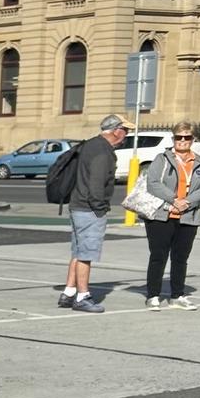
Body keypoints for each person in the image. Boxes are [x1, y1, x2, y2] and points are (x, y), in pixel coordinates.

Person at [58, 113, 132, 313]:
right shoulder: (103, 151)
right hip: (89, 209)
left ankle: (68, 292)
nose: (126, 135)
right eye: (125, 131)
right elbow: (96, 183)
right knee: (86, 254)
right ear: (116, 131)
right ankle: (83, 296)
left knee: (78, 250)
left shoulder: (90, 144)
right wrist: (100, 207)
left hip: (77, 205)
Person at [142, 121, 200, 311]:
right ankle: (153, 295)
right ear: (173, 139)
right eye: (179, 137)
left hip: (188, 216)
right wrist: (174, 200)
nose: (182, 141)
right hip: (162, 216)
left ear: (193, 139)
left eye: (187, 137)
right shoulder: (162, 158)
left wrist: (188, 202)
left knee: (181, 258)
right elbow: (153, 183)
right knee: (158, 256)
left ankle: (177, 295)